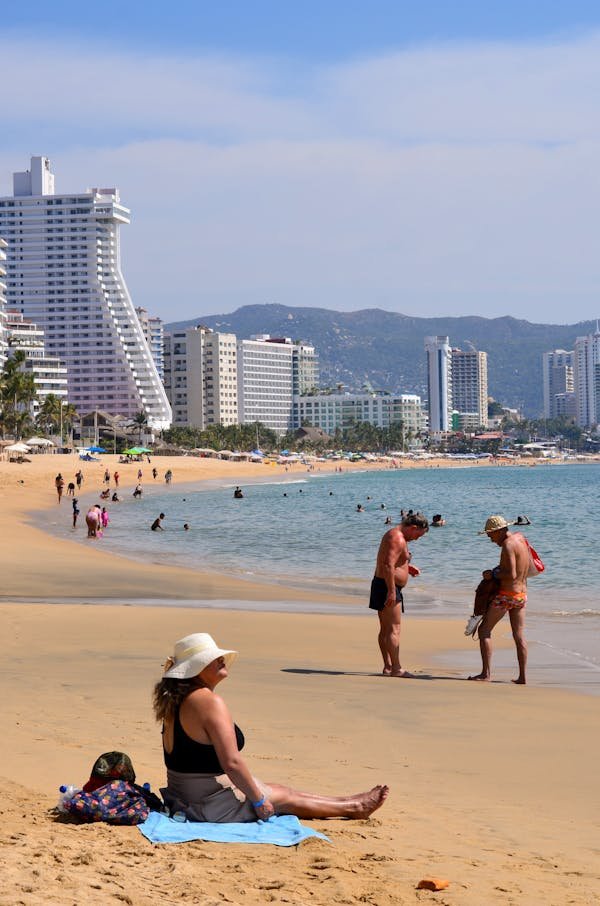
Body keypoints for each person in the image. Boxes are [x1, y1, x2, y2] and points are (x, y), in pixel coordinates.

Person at [154, 633, 389, 823]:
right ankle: (354, 807)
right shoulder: (208, 702)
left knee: (277, 789)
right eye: (213, 658)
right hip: (207, 805)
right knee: (281, 796)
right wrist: (258, 802)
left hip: (182, 796)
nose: (221, 660)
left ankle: (348, 800)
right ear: (196, 668)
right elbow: (232, 764)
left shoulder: (176, 699)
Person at [469, 515, 530, 685]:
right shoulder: (520, 539)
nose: (490, 539)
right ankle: (522, 677)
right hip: (521, 595)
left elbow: (510, 574)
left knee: (484, 631)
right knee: (519, 636)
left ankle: (485, 674)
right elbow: (528, 566)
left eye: (491, 535)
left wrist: (492, 574)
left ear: (500, 531)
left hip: (506, 596)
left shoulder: (507, 545)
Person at [369, 513, 429, 677]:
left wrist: (407, 567)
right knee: (394, 629)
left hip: (382, 584)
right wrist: (391, 591)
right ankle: (396, 668)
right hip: (388, 586)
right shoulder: (397, 538)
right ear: (413, 527)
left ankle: (388, 667)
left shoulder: (395, 535)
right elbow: (388, 565)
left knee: (386, 629)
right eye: (418, 535)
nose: (417, 539)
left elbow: (390, 561)